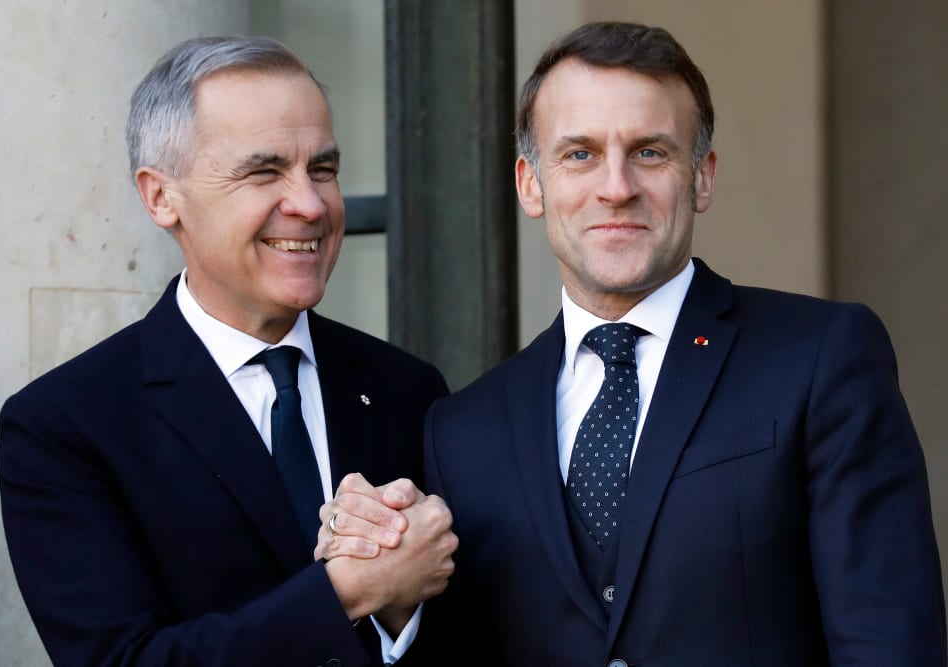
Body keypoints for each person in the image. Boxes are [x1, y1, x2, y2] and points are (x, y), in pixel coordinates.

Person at [318, 20, 947, 665]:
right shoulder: (463, 429)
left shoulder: (821, 357)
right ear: (530, 185)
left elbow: (888, 641)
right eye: (579, 154)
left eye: (649, 151)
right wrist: (393, 602)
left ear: (701, 177)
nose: (616, 187)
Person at [0, 35, 457, 667]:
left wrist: (403, 610)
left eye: (322, 169)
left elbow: (478, 631)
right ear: (161, 197)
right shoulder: (65, 424)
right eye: (264, 171)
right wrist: (348, 590)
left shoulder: (408, 388)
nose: (310, 203)